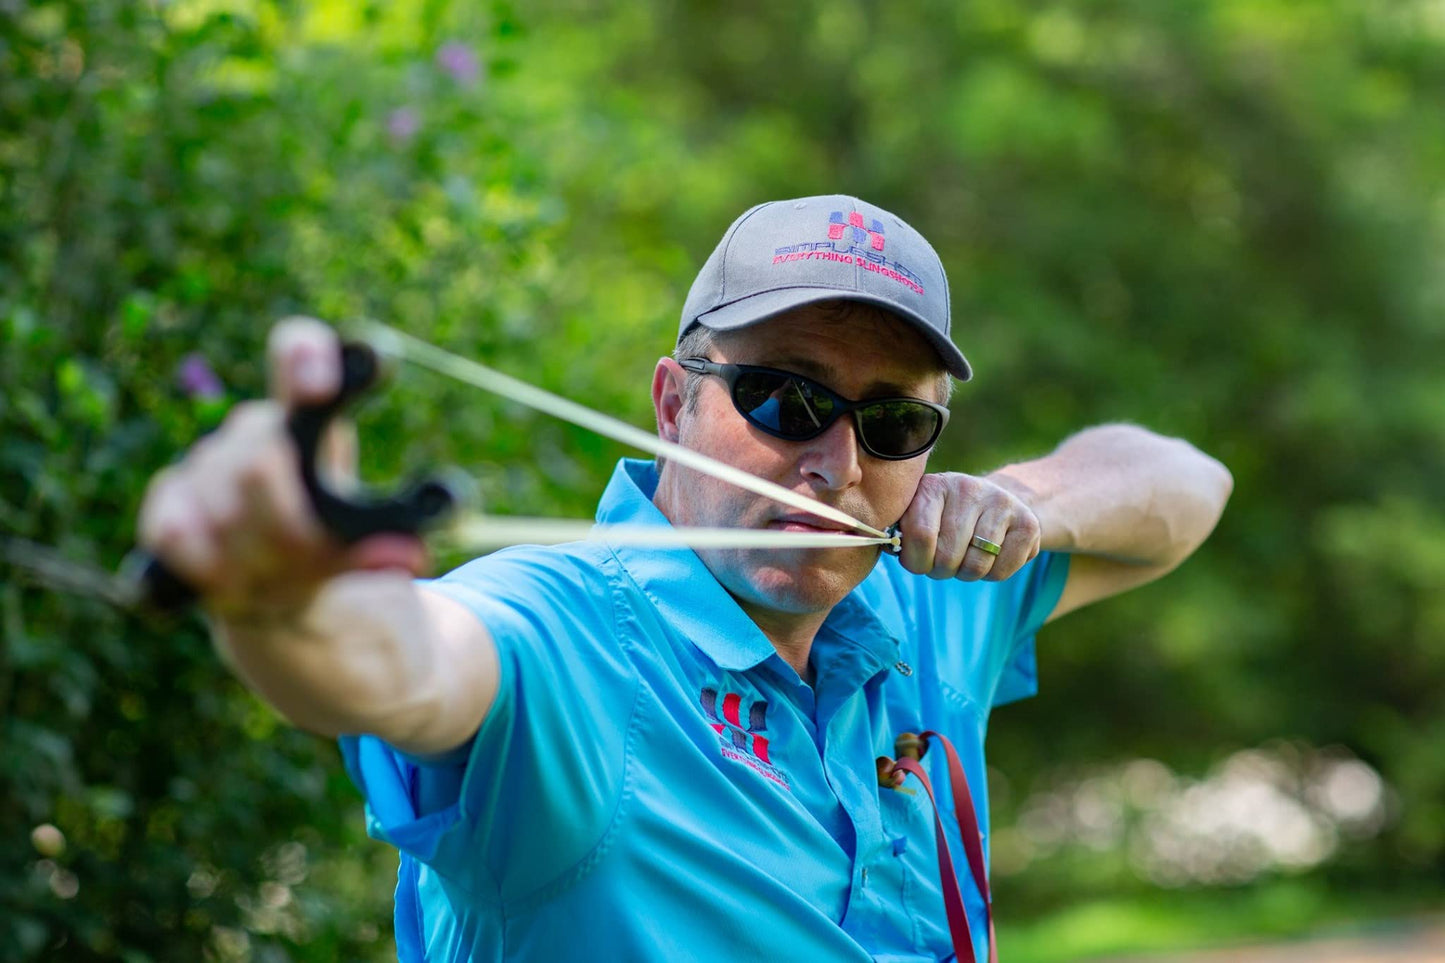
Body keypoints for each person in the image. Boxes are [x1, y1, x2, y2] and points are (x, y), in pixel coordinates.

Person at [138, 195, 1233, 962]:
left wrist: (1031, 506)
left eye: (894, 422)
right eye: (784, 398)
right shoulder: (563, 631)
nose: (837, 464)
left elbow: (1183, 486)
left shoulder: (927, 592)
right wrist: (284, 605)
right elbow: (403, 664)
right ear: (672, 403)